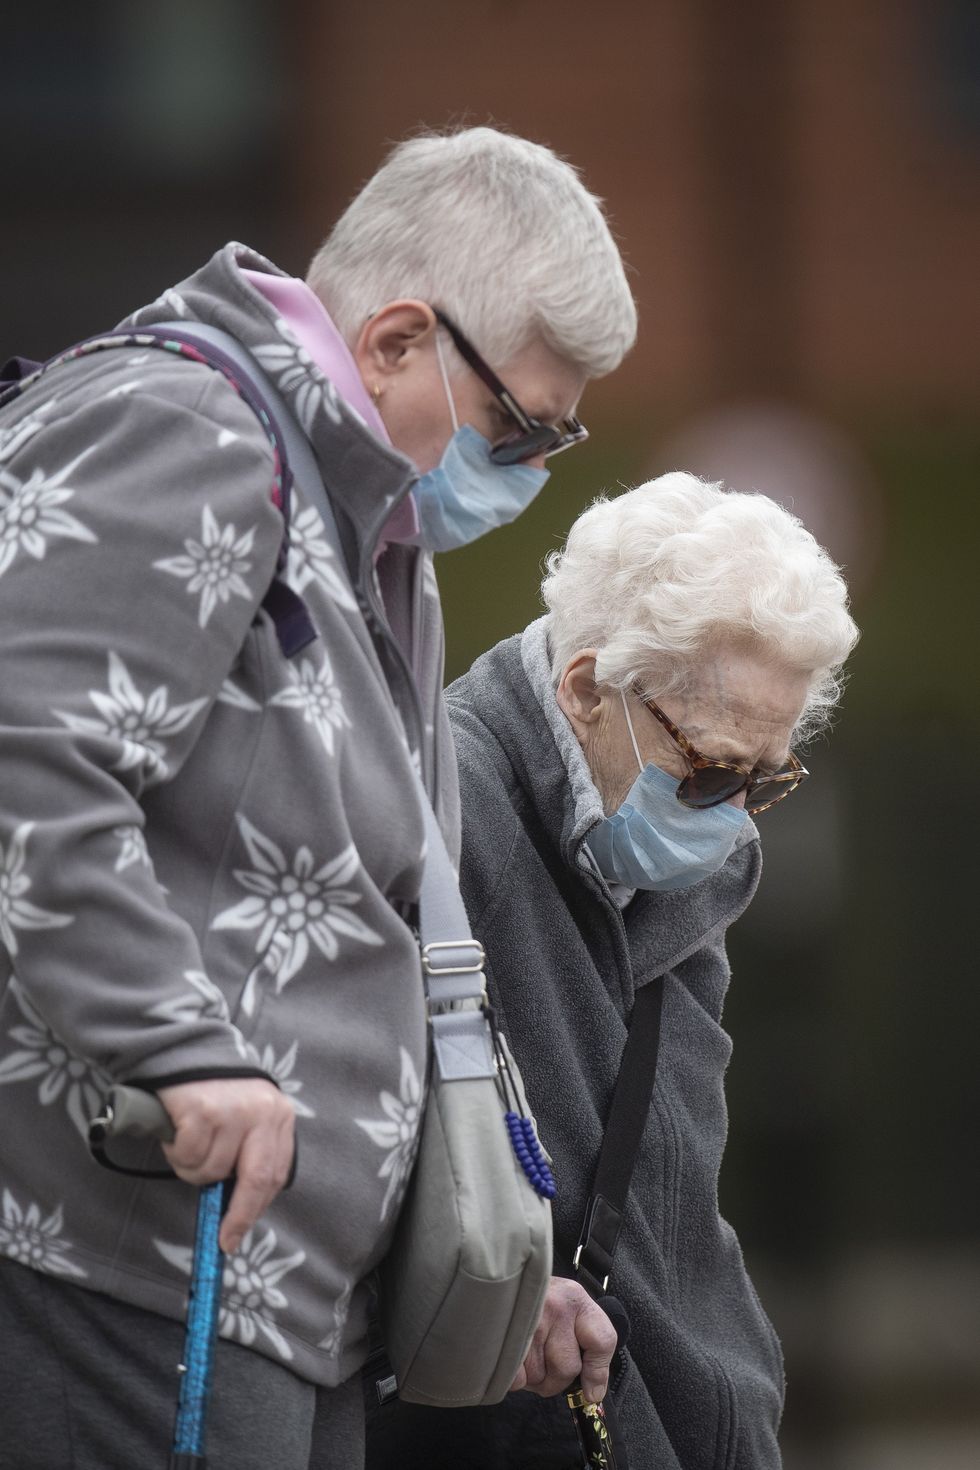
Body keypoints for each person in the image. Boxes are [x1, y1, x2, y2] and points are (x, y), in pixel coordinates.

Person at [0, 126, 636, 1469]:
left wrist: (467, 1253)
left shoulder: (366, 526)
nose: (526, 471)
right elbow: (26, 751)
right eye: (518, 425)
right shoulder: (185, 425)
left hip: (260, 1289)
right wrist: (174, 1043)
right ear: (398, 338)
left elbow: (374, 934)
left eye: (556, 440)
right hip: (132, 1262)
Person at [366, 473, 859, 1468]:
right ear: (586, 689)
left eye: (766, 780)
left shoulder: (686, 857)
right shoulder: (435, 815)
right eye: (713, 770)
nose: (730, 817)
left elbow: (672, 1219)